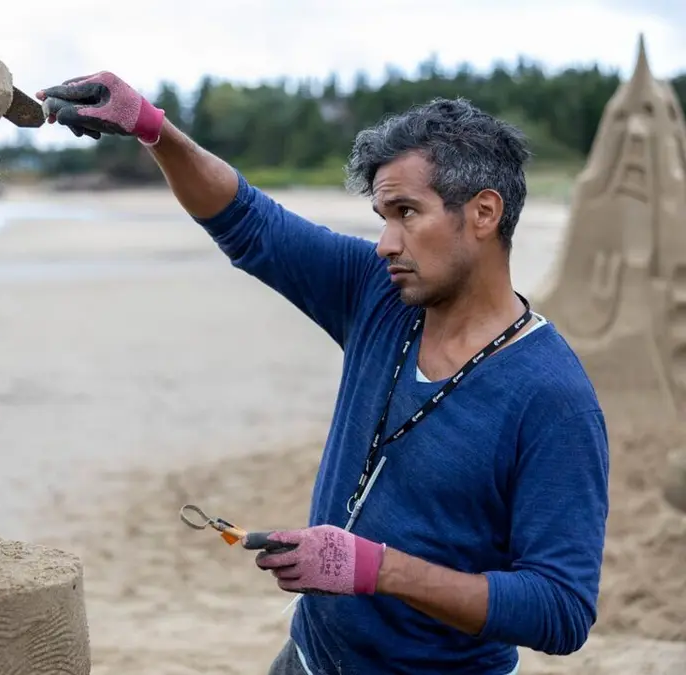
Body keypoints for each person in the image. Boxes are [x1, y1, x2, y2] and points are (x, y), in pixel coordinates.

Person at [36, 72, 610, 675]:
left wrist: (377, 569)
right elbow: (248, 222)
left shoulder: (553, 398)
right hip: (307, 658)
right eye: (383, 216)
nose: (386, 242)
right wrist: (153, 129)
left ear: (484, 213)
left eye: (406, 213)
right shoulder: (378, 294)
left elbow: (562, 610)